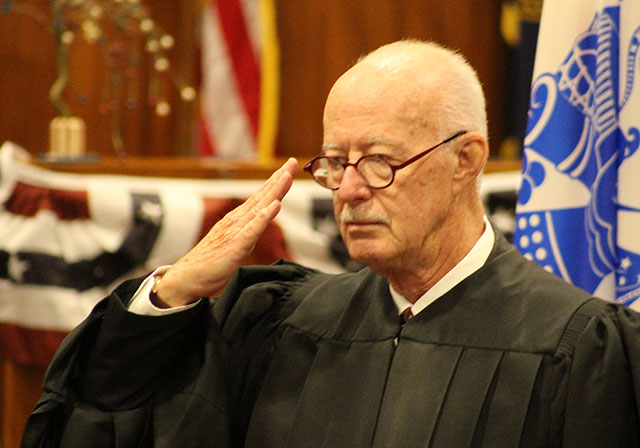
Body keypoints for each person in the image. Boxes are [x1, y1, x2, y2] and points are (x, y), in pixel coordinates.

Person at [22, 40, 640, 448]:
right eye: (335, 161)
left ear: (465, 160)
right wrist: (174, 290)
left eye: (378, 162)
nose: (347, 191)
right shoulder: (283, 324)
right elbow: (111, 422)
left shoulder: (576, 348)